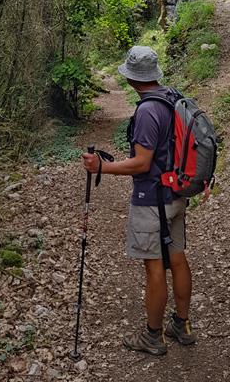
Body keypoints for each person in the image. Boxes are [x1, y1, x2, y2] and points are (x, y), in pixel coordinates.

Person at [82, 45, 196, 357]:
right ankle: (182, 326)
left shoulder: (147, 110)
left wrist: (101, 167)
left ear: (132, 79)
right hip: (175, 193)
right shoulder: (172, 97)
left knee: (154, 267)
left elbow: (142, 163)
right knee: (177, 257)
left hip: (152, 200)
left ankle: (153, 336)